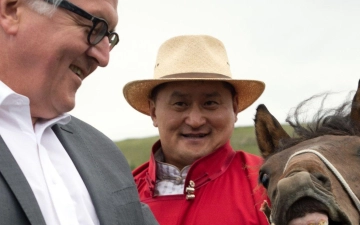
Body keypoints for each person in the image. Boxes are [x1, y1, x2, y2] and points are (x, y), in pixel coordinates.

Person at [0, 0, 158, 224]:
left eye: (109, 37)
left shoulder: (106, 155)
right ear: (12, 10)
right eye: (95, 27)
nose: (104, 58)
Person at [123, 35, 270, 225]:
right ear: (153, 112)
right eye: (180, 104)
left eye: (210, 103)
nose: (195, 120)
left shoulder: (269, 183)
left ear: (234, 108)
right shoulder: (123, 195)